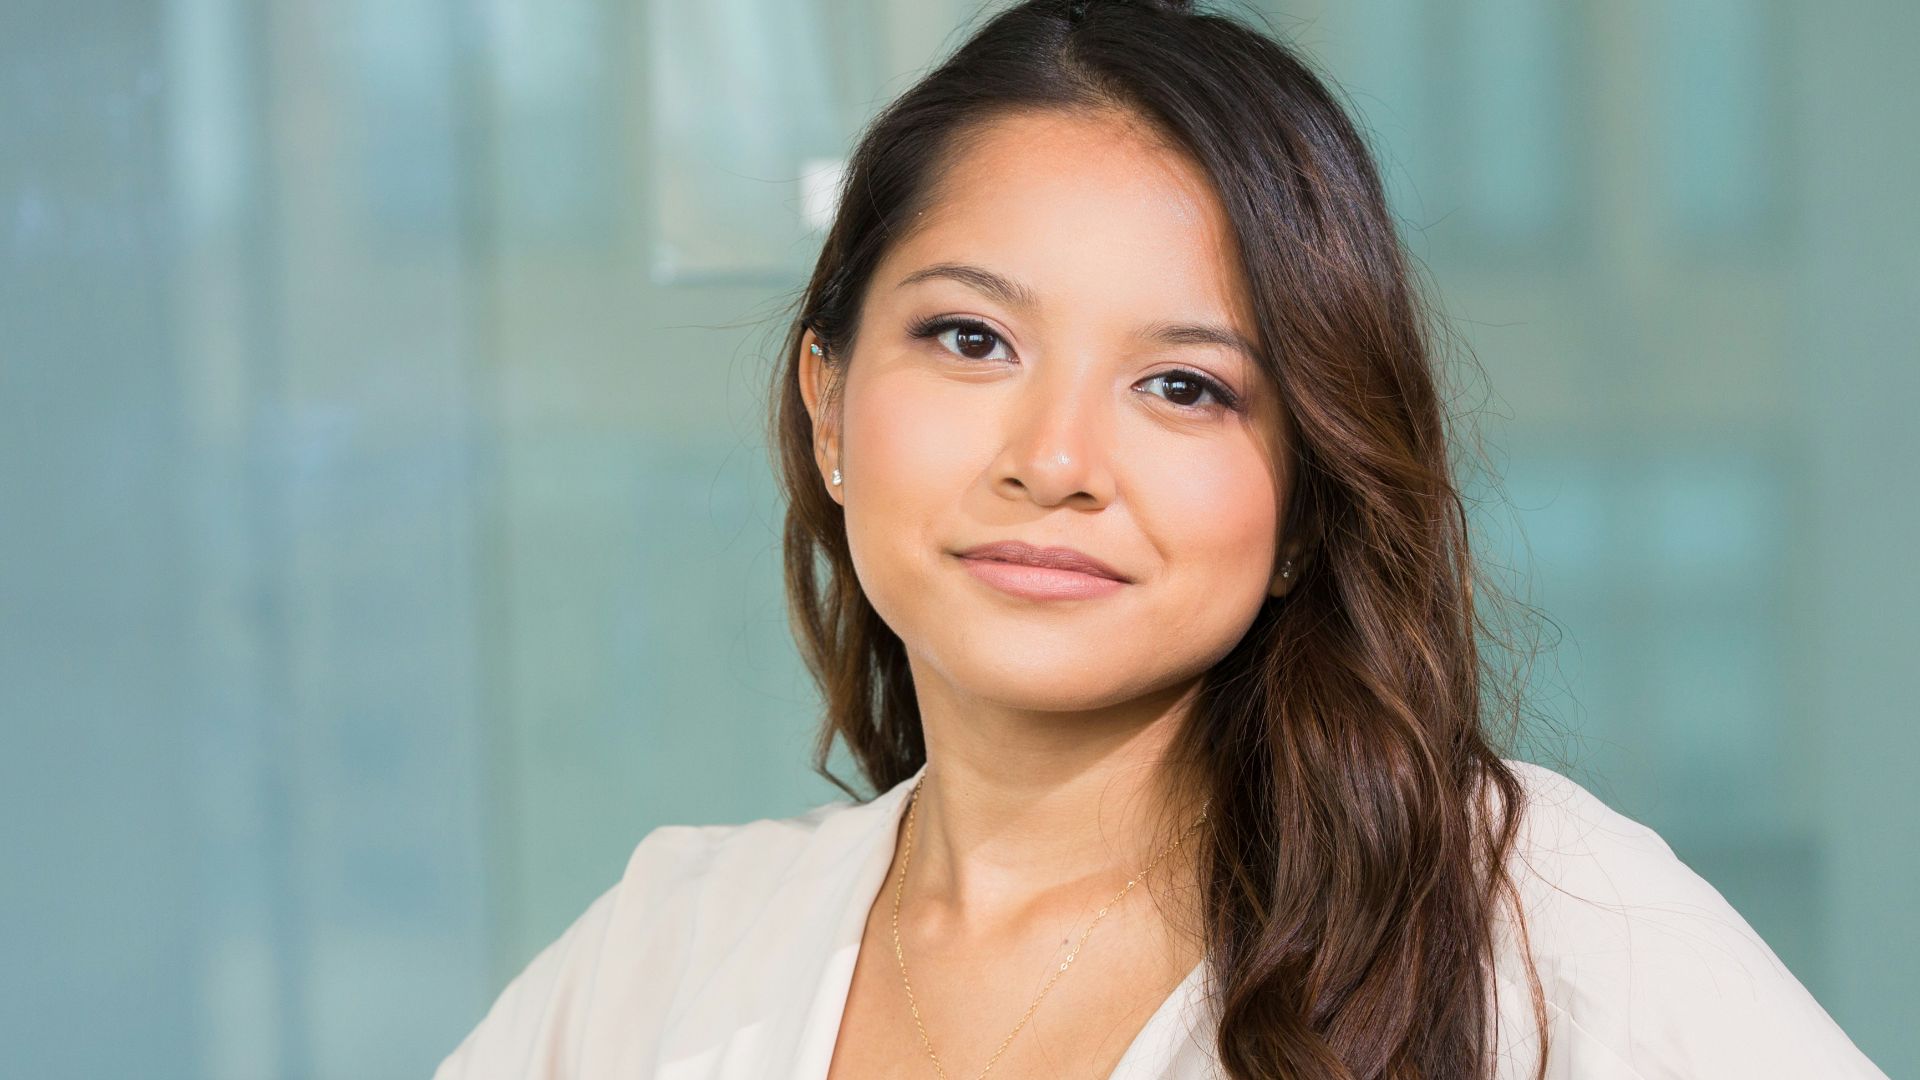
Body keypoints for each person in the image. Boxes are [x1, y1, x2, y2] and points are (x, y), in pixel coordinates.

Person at [434, 0, 1889, 1076]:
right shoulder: (672, 949)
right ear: (828, 404)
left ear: (1314, 485)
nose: (1057, 460)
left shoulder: (1537, 925)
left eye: (1184, 386)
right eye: (970, 337)